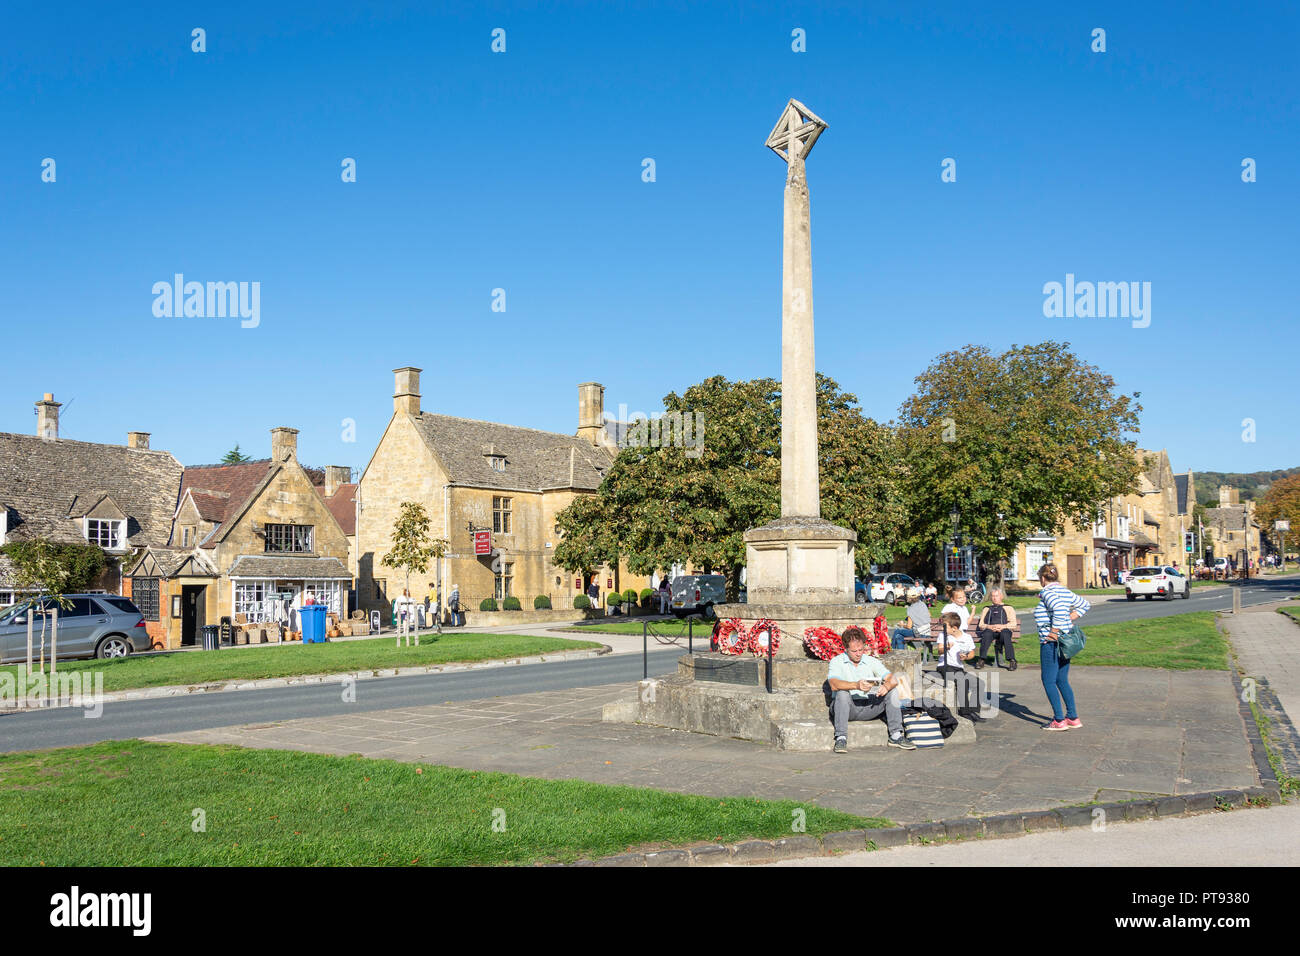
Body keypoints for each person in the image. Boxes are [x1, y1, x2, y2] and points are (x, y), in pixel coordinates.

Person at [827, 626, 917, 752]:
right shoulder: (837, 661)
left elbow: (893, 679)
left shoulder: (870, 660)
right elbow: (833, 684)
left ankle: (896, 735)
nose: (858, 654)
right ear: (846, 649)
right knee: (842, 693)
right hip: (848, 707)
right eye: (854, 651)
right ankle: (841, 737)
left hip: (869, 705)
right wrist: (856, 685)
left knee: (892, 690)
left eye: (861, 650)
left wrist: (886, 686)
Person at [1033, 562, 1090, 731]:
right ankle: (1073, 717)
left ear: (1043, 578)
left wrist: (1054, 631)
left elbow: (1057, 609)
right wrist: (1069, 619)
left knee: (1048, 680)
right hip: (1065, 642)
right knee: (1061, 679)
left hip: (1052, 643)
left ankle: (1059, 720)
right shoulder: (1064, 591)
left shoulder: (1047, 592)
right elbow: (1085, 605)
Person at [935, 611, 985, 722]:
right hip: (945, 666)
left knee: (979, 683)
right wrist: (946, 647)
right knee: (962, 680)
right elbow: (939, 651)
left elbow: (972, 653)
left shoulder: (967, 637)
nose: (943, 629)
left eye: (945, 626)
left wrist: (966, 657)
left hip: (958, 668)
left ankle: (972, 710)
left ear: (954, 628)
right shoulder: (943, 635)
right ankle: (964, 712)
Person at [973, 588, 1018, 670]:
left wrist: (1002, 626)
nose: (994, 598)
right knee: (986, 634)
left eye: (996, 596)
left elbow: (1013, 624)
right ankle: (981, 660)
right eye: (993, 596)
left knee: (1005, 634)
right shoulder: (986, 609)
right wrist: (989, 626)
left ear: (1001, 596)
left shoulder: (1008, 608)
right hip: (990, 630)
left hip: (1004, 629)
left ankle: (1012, 660)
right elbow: (981, 624)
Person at [891, 589, 932, 655]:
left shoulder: (910, 609)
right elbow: (929, 615)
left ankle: (891, 650)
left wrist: (902, 625)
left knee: (897, 631)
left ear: (909, 598)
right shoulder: (923, 604)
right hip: (927, 632)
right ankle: (901, 655)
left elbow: (909, 626)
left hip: (918, 633)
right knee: (898, 636)